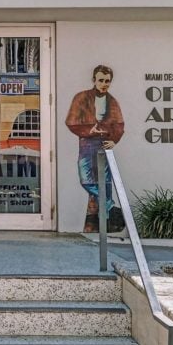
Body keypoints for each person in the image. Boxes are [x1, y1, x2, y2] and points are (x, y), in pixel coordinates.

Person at [64, 64, 125, 233]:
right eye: (101, 80)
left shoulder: (112, 101)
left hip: (104, 143)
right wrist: (89, 130)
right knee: (86, 179)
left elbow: (119, 124)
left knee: (104, 182)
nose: (104, 84)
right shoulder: (81, 98)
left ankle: (101, 225)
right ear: (94, 80)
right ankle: (111, 206)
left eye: (107, 81)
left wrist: (114, 140)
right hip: (87, 143)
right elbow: (71, 121)